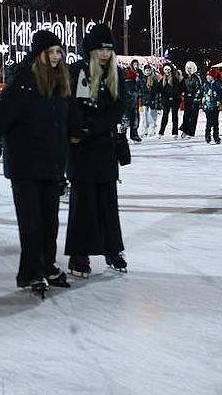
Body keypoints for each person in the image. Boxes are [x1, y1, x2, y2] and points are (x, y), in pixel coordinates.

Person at [0, 30, 74, 296]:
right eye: (51, 52)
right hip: (24, 165)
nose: (56, 57)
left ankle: (47, 266)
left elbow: (69, 123)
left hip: (51, 164)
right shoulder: (23, 83)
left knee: (50, 222)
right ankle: (31, 273)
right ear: (39, 54)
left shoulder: (61, 83)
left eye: (59, 51)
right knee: (31, 223)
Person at [65, 23, 129, 278]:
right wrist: (81, 129)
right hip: (81, 149)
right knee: (82, 204)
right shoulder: (80, 71)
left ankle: (112, 249)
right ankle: (79, 253)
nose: (105, 54)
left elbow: (118, 108)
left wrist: (95, 127)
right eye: (101, 49)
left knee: (107, 202)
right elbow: (72, 105)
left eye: (109, 49)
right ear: (92, 50)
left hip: (104, 147)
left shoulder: (116, 74)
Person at [198, 68, 222, 144]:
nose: (208, 77)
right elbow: (200, 93)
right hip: (207, 106)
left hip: (215, 106)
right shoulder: (205, 85)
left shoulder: (217, 84)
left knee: (215, 122)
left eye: (210, 76)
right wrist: (198, 100)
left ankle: (216, 136)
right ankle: (207, 135)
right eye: (207, 75)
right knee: (209, 121)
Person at [158, 64, 181, 137]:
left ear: (170, 70)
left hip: (174, 100)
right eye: (166, 70)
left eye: (168, 70)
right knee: (165, 116)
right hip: (166, 101)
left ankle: (175, 132)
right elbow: (161, 90)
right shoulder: (162, 81)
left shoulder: (175, 79)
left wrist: (172, 96)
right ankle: (161, 132)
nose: (167, 71)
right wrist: (166, 97)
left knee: (175, 116)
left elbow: (177, 89)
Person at [179, 61, 202, 138]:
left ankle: (191, 132)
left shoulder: (196, 77)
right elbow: (181, 88)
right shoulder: (185, 78)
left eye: (190, 68)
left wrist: (196, 98)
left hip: (194, 99)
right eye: (187, 68)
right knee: (186, 115)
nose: (188, 70)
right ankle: (185, 130)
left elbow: (199, 88)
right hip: (187, 99)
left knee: (193, 117)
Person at [123, 59, 143, 143]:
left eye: (136, 64)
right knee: (126, 119)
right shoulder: (127, 75)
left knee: (135, 118)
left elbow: (141, 87)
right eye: (134, 64)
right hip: (127, 101)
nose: (135, 66)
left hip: (135, 101)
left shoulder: (140, 74)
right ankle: (122, 135)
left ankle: (134, 134)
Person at [139, 64, 161, 137]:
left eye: (149, 70)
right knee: (144, 116)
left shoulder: (154, 79)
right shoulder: (141, 79)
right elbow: (139, 89)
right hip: (144, 100)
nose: (148, 72)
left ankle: (152, 129)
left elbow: (157, 90)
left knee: (152, 116)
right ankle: (144, 130)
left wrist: (156, 99)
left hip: (152, 99)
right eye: (146, 70)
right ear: (144, 71)